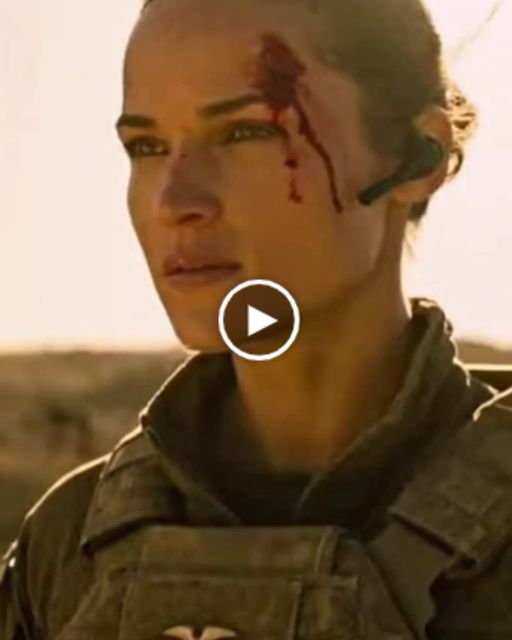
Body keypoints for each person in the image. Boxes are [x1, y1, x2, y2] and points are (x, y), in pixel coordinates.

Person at [2, 0, 512, 638]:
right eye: (147, 146)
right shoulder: (70, 545)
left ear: (419, 157)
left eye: (246, 133)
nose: (174, 201)